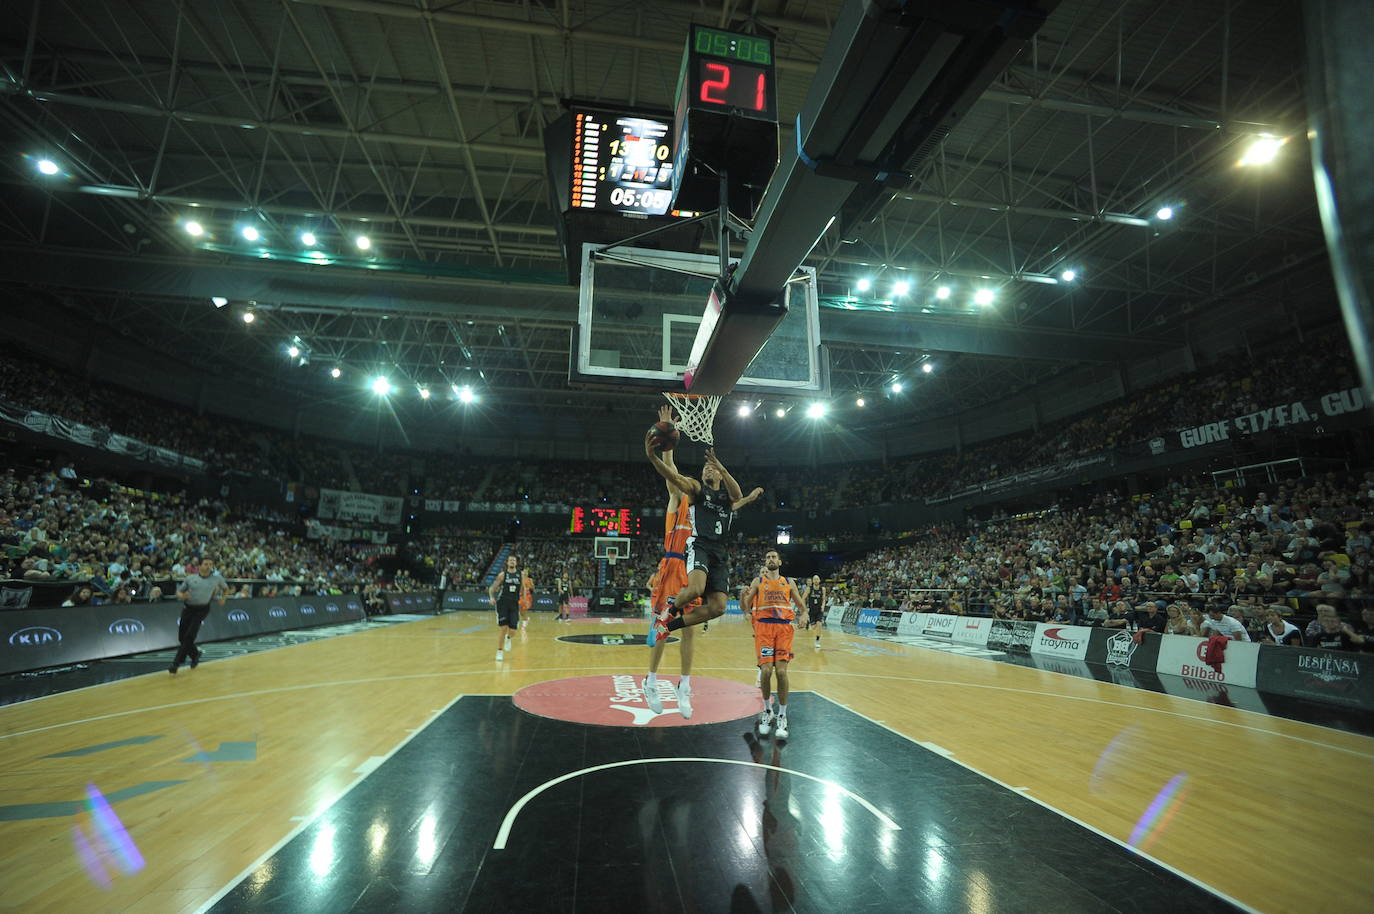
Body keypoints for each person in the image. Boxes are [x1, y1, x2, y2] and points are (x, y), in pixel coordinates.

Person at [644, 433, 762, 647]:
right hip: (699, 546)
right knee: (697, 589)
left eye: (712, 468)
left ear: (720, 475)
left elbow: (737, 496)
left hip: (720, 553)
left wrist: (723, 468)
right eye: (705, 468)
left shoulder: (727, 500)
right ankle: (666, 615)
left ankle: (668, 628)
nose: (708, 469)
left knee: (718, 608)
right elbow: (675, 478)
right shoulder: (697, 491)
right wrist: (653, 458)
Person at [643, 407, 704, 718]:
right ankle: (651, 681)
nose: (683, 483)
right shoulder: (675, 502)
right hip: (672, 567)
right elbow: (670, 471)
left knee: (691, 630)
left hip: (692, 572)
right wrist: (669, 438)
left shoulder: (704, 515)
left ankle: (685, 686)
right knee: (663, 627)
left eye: (688, 481)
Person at [740, 550, 808, 739]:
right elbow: (744, 606)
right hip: (764, 629)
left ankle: (782, 715)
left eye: (773, 557)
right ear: (765, 562)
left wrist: (804, 614)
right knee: (767, 671)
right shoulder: (758, 582)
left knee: (781, 672)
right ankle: (767, 710)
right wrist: (741, 596)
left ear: (780, 561)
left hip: (784, 630)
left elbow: (801, 606)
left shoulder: (788, 582)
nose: (771, 559)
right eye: (768, 557)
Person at [170, 557, 228, 674]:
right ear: (199, 566)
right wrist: (182, 596)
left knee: (189, 636)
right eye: (206, 564)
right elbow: (179, 591)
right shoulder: (190, 578)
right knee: (182, 637)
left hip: (202, 609)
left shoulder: (217, 579)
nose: (208, 566)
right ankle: (195, 654)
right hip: (188, 608)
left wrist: (223, 598)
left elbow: (226, 589)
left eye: (210, 564)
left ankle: (176, 663)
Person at [487, 555, 522, 661]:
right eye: (510, 560)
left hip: (514, 604)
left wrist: (524, 598)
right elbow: (492, 588)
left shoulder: (521, 574)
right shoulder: (502, 575)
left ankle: (508, 638)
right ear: (507, 563)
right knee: (503, 628)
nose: (512, 562)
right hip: (503, 603)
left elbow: (523, 588)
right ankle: (499, 651)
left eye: (514, 560)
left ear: (516, 563)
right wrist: (491, 597)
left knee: (513, 631)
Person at [803, 574, 826, 648]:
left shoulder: (823, 589)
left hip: (819, 610)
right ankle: (810, 622)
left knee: (819, 624)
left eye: (817, 579)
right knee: (813, 627)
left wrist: (823, 606)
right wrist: (805, 607)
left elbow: (824, 599)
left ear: (819, 580)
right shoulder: (809, 589)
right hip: (811, 610)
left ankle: (817, 640)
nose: (816, 580)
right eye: (814, 579)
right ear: (813, 581)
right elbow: (803, 598)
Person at [518, 565, 535, 629]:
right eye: (524, 571)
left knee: (524, 609)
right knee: (520, 610)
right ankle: (526, 619)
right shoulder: (519, 579)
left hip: (527, 596)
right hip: (520, 596)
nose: (525, 573)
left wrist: (531, 585)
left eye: (526, 572)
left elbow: (533, 588)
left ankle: (524, 625)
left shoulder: (530, 580)